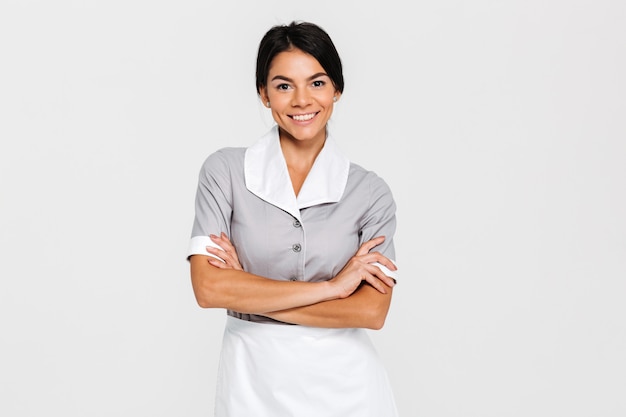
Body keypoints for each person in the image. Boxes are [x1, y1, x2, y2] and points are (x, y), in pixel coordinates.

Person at [187, 20, 400, 417]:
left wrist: (248, 290)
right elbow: (208, 288)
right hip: (252, 383)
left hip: (347, 389)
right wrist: (334, 288)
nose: (302, 100)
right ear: (263, 95)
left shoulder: (370, 193)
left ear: (337, 89)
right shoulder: (226, 172)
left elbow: (371, 312)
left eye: (317, 83)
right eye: (284, 85)